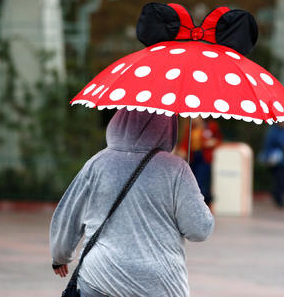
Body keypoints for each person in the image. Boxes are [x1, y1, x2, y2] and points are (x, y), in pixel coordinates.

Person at [50, 109, 214, 297]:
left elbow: (69, 214)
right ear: (167, 127)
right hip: (159, 284)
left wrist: (60, 255)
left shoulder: (97, 163)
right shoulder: (177, 169)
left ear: (119, 121)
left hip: (100, 278)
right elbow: (199, 230)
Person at [177, 117, 222, 205]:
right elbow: (186, 142)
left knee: (202, 181)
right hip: (194, 157)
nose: (194, 119)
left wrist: (213, 143)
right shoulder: (190, 128)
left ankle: (203, 203)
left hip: (204, 158)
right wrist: (182, 150)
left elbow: (218, 139)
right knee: (194, 180)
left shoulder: (210, 126)